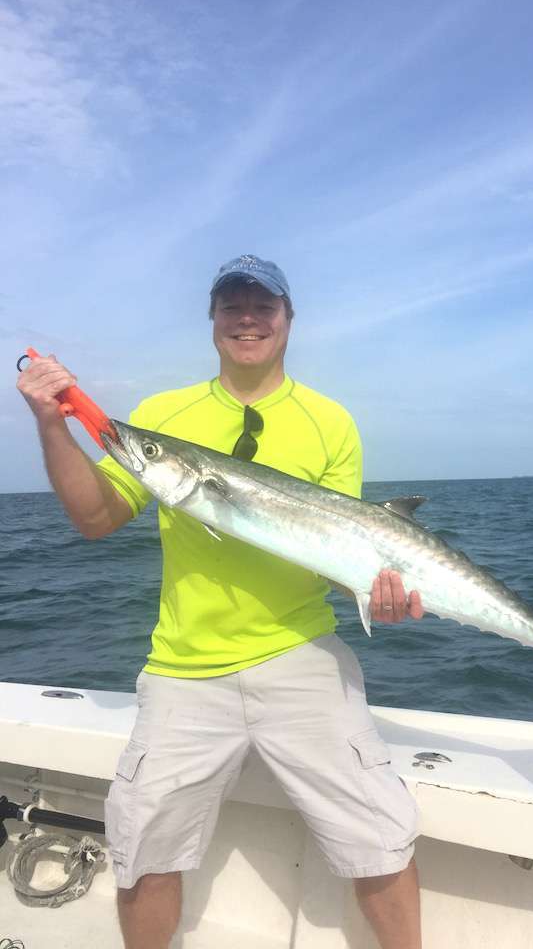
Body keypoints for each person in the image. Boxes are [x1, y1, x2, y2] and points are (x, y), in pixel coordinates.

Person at [17, 255, 424, 949]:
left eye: (262, 306)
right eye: (230, 306)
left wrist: (376, 589)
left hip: (301, 655)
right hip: (183, 667)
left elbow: (336, 553)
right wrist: (53, 424)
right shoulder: (160, 415)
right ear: (212, 323)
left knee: (380, 839)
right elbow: (95, 518)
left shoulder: (330, 423)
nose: (246, 318)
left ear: (288, 320)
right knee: (144, 852)